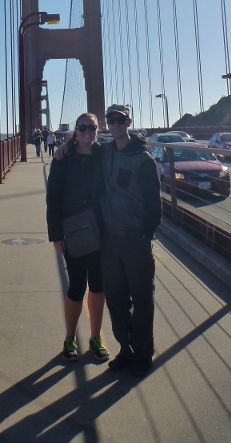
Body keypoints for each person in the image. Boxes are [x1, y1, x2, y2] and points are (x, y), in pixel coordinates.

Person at [98, 104, 162, 377]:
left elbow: (154, 205)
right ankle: (125, 349)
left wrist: (146, 233)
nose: (115, 125)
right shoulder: (105, 154)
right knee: (116, 298)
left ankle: (143, 354)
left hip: (135, 240)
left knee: (142, 298)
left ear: (128, 122)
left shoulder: (144, 160)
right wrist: (64, 147)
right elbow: (81, 149)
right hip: (110, 241)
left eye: (120, 121)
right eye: (111, 121)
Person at [46, 113, 109, 363]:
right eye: (82, 127)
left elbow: (127, 147)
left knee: (98, 285)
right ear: (76, 130)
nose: (87, 132)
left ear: (97, 129)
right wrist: (56, 236)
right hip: (73, 231)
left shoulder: (104, 154)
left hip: (101, 229)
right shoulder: (63, 158)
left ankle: (95, 338)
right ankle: (70, 338)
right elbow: (53, 199)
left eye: (91, 127)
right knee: (75, 286)